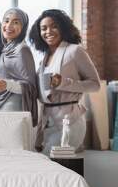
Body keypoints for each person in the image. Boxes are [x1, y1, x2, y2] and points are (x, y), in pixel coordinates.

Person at [29, 9, 100, 154]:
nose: (48, 31)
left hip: (69, 121)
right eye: (44, 28)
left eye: (54, 26)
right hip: (48, 123)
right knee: (48, 164)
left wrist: (63, 82)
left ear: (63, 27)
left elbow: (95, 84)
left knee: (51, 163)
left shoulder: (75, 51)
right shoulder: (44, 58)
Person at [0, 8, 37, 125]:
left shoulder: (22, 50)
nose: (9, 25)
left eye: (16, 22)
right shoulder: (6, 50)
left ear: (23, 27)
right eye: (6, 21)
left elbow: (31, 88)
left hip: (13, 111)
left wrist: (8, 84)